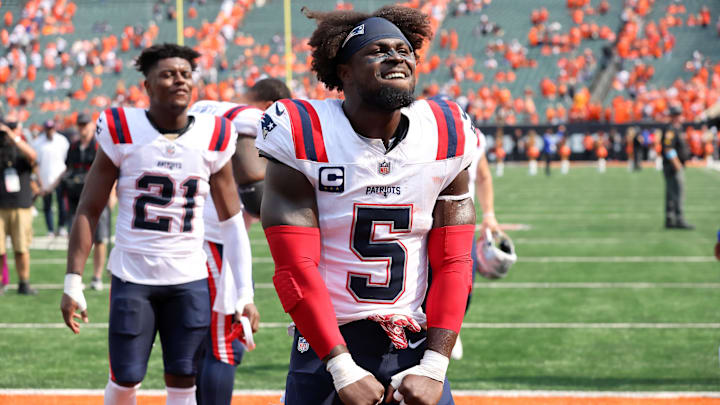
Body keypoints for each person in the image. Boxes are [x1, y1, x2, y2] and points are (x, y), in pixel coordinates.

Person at [257, 6, 478, 405]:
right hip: (328, 340)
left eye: (404, 49)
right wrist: (341, 366)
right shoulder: (305, 132)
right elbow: (294, 267)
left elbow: (455, 262)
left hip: (414, 342)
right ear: (344, 71)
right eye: (378, 50)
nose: (397, 56)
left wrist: (434, 366)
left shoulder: (445, 131)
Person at [59, 43, 257, 405]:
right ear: (147, 86)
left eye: (185, 74)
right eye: (167, 74)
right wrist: (73, 280)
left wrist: (244, 293)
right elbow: (88, 209)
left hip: (189, 279)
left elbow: (232, 223)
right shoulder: (123, 128)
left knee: (184, 380)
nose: (179, 80)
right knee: (126, 378)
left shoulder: (214, 135)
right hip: (133, 277)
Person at [187, 77, 290, 405]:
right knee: (224, 345)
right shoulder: (252, 117)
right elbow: (255, 185)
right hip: (213, 240)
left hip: (184, 235)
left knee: (200, 347)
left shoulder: (202, 109)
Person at [63, 113, 114, 291]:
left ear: (92, 126)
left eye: (86, 125)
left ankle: (97, 276)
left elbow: (111, 170)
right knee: (77, 236)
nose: (83, 128)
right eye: (80, 125)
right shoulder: (74, 147)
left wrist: (113, 194)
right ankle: (78, 277)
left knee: (99, 238)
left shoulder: (99, 146)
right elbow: (67, 169)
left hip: (98, 196)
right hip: (77, 196)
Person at [0, 114, 38, 295]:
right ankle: (1, 283)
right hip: (1, 205)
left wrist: (13, 137)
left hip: (21, 205)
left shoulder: (22, 148)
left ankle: (24, 282)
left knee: (21, 248)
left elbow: (33, 156)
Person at [34, 120, 70, 236]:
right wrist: (39, 181)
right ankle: (50, 229)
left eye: (51, 128)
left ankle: (61, 227)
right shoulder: (38, 143)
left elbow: (66, 160)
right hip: (45, 179)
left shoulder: (62, 141)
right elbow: (36, 164)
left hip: (59, 177)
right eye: (48, 128)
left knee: (62, 205)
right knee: (47, 205)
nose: (50, 131)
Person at [662, 106, 694, 229]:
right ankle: (678, 219)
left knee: (671, 193)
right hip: (672, 166)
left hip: (674, 165)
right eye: (678, 115)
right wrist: (677, 164)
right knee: (678, 192)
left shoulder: (677, 129)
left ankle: (670, 219)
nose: (680, 117)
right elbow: (668, 148)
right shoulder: (671, 130)